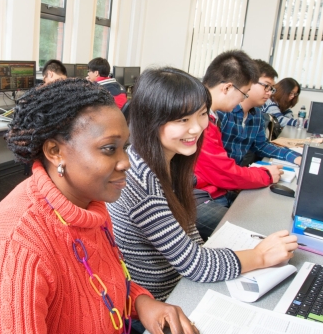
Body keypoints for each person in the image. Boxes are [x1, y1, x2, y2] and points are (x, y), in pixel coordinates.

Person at [0, 79, 206, 334]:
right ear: (55, 151)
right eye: (109, 149)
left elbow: (99, 282)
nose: (125, 163)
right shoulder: (14, 247)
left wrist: (142, 302)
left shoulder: (91, 203)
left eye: (125, 147)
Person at [108, 67, 298, 303]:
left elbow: (188, 232)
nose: (197, 127)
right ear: (151, 121)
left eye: (201, 114)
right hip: (161, 300)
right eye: (183, 119)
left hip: (180, 284)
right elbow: (195, 264)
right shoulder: (141, 179)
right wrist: (260, 256)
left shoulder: (169, 160)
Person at [194, 51, 282, 237]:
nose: (243, 99)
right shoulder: (197, 118)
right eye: (244, 93)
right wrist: (265, 175)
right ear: (226, 88)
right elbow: (222, 172)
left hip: (211, 189)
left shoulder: (209, 114)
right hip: (195, 196)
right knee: (254, 233)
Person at [218, 60, 302, 167]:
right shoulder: (223, 112)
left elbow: (261, 146)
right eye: (266, 86)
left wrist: (295, 157)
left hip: (235, 175)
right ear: (248, 81)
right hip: (219, 176)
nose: (270, 92)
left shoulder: (257, 114)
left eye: (271, 88)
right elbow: (215, 163)